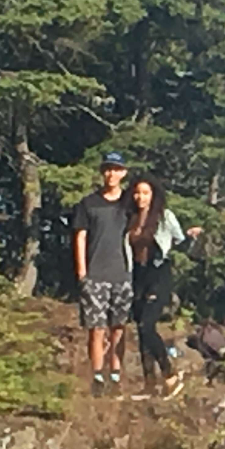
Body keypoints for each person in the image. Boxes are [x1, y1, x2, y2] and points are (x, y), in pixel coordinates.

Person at [126, 174, 202, 399]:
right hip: (137, 277)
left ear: (154, 195)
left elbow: (180, 241)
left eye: (146, 193)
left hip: (159, 275)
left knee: (146, 325)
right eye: (137, 192)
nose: (141, 197)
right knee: (140, 330)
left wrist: (192, 236)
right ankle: (149, 382)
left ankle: (169, 373)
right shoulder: (129, 218)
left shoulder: (164, 217)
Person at [72, 151, 133, 397]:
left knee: (118, 328)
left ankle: (116, 375)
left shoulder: (129, 204)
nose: (111, 174)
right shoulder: (89, 203)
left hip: (123, 275)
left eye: (116, 169)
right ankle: (97, 376)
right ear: (102, 172)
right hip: (95, 275)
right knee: (96, 329)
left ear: (123, 173)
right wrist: (82, 272)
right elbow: (80, 236)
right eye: (108, 169)